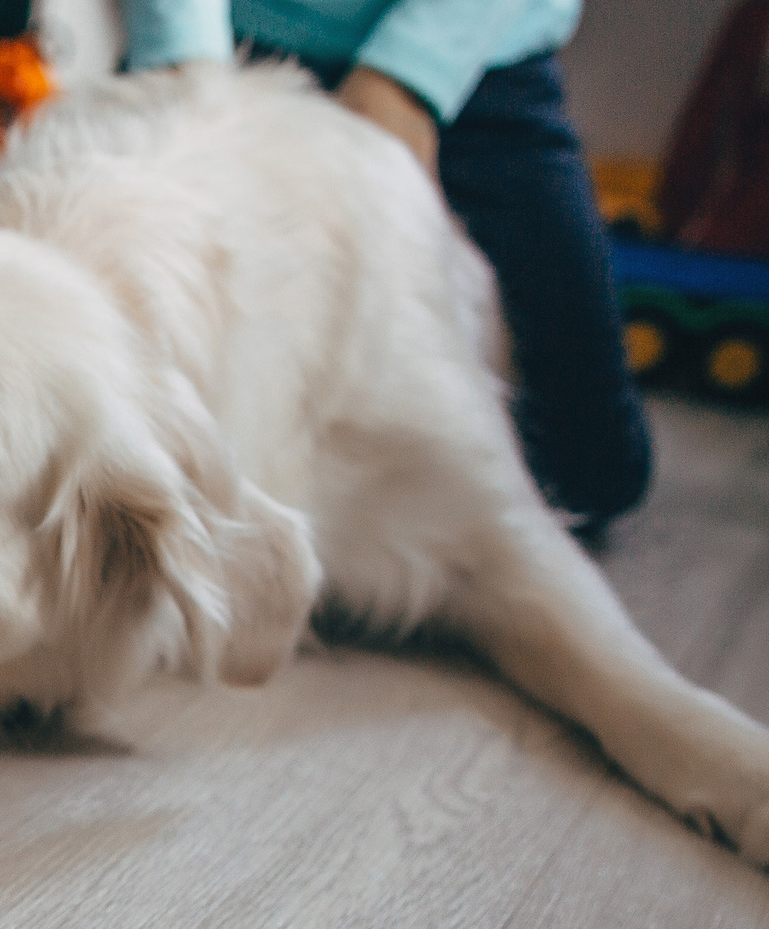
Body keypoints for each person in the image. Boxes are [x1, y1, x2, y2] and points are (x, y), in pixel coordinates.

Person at [119, 0, 654, 533]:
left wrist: (405, 77)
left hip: (472, 63)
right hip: (221, 45)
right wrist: (184, 68)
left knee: (590, 474)